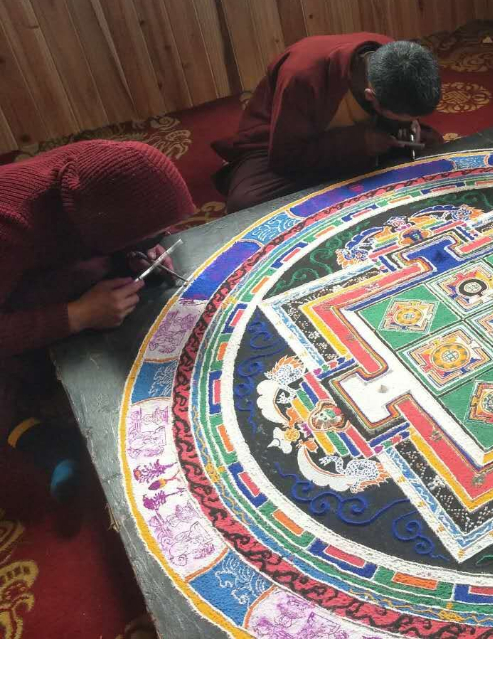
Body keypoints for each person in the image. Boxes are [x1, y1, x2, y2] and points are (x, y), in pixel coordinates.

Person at [1, 141, 194, 500]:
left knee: (99, 272)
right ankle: (31, 436)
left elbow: (112, 219)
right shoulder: (10, 225)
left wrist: (138, 248)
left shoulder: (90, 183)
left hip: (24, 268)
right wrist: (75, 316)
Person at [212, 34, 443, 212]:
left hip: (371, 131)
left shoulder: (395, 55)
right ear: (371, 97)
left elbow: (404, 119)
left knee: (433, 148)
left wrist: (405, 129)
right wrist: (359, 143)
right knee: (245, 202)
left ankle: (362, 167)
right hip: (280, 142)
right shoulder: (303, 77)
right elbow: (285, 157)